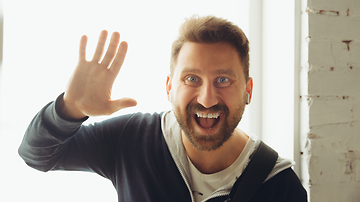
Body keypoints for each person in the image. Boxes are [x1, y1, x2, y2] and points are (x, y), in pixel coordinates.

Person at [19, 16, 307, 202]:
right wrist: (69, 109)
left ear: (248, 91)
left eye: (223, 80)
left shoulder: (280, 186)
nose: (207, 99)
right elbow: (37, 155)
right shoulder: (132, 139)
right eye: (191, 79)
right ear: (169, 88)